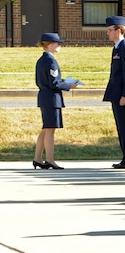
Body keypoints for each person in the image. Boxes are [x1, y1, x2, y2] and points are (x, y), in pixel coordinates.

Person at [33, 33, 77, 170]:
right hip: (51, 98)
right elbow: (54, 83)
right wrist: (68, 85)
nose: (59, 46)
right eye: (58, 44)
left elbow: (46, 80)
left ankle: (38, 158)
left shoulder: (42, 60)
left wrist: (62, 81)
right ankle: (50, 159)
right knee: (50, 130)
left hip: (44, 96)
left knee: (46, 129)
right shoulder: (51, 61)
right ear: (51, 45)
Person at [103, 16, 125, 169]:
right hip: (116, 94)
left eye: (110, 30)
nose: (108, 33)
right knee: (121, 128)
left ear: (119, 30)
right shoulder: (116, 47)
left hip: (122, 96)